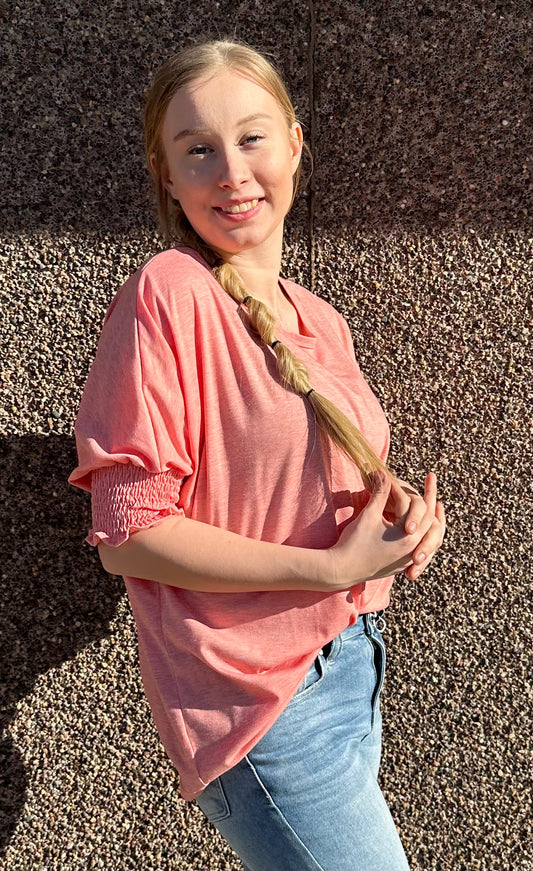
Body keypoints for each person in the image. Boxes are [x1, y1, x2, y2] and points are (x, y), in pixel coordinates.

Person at [69, 39, 445, 871]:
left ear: (294, 144)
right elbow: (128, 534)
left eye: (251, 138)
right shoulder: (167, 293)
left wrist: (403, 522)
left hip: (349, 667)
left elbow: (312, 482)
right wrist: (323, 569)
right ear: (167, 176)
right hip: (262, 706)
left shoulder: (316, 314)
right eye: (197, 150)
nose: (231, 171)